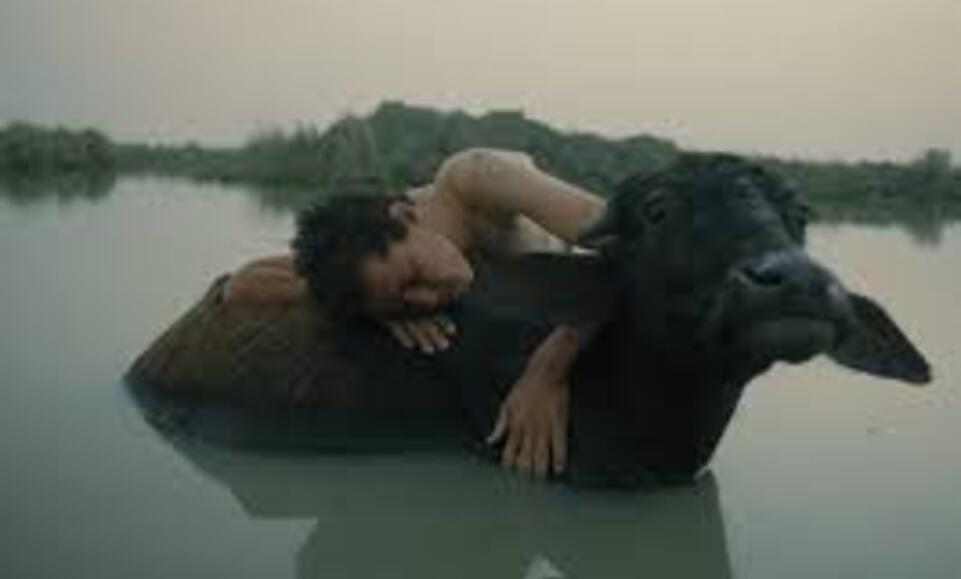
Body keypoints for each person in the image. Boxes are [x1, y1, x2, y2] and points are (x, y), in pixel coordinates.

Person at [223, 148, 606, 478]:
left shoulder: (477, 179)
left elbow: (626, 242)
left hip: (547, 225)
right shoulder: (364, 262)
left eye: (413, 276)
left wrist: (547, 373)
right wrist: (378, 308)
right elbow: (240, 285)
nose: (429, 298)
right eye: (408, 300)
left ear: (405, 216)